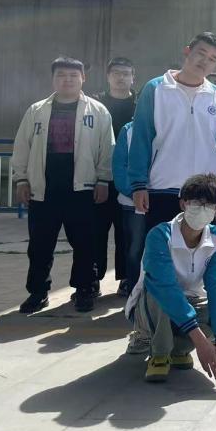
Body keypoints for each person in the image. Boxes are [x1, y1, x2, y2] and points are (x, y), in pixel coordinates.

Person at [12, 57, 115, 314]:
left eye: (72, 75)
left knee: (85, 244)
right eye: (61, 75)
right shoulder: (36, 110)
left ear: (83, 78)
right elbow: (22, 146)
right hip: (44, 189)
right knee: (40, 245)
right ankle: (38, 292)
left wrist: (103, 180)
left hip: (82, 189)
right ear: (53, 79)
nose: (67, 80)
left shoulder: (98, 111)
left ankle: (84, 289)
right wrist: (21, 179)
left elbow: (107, 149)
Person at [128, 31, 216, 234]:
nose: (205, 61)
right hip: (163, 187)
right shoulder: (156, 89)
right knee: (162, 249)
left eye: (212, 59)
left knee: (203, 251)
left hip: (205, 193)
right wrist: (138, 185)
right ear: (187, 51)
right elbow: (141, 139)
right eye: (201, 53)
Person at [124, 173, 216, 383]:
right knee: (162, 296)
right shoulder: (160, 235)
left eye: (210, 205)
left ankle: (178, 350)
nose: (203, 209)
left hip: (192, 301)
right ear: (183, 204)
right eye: (197, 203)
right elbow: (165, 287)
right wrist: (201, 341)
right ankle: (159, 353)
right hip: (151, 306)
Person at [94, 57, 137, 296]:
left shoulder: (141, 104)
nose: (121, 77)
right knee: (96, 231)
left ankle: (126, 277)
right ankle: (93, 278)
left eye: (126, 73)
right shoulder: (96, 104)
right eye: (116, 73)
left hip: (130, 180)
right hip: (100, 178)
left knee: (127, 232)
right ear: (108, 76)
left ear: (133, 78)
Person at [113, 120, 151, 353]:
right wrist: (134, 191)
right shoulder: (128, 131)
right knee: (135, 249)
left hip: (160, 199)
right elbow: (119, 166)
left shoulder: (165, 124)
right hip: (132, 203)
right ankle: (134, 298)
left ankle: (152, 299)